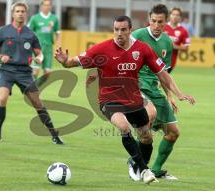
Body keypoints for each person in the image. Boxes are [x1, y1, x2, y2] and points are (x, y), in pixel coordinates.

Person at [54, 16, 195, 184]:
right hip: (109, 99)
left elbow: (162, 74)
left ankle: (137, 165)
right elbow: (72, 62)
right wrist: (65, 62)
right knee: (124, 127)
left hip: (133, 99)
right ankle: (145, 171)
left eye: (123, 30)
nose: (119, 33)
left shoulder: (142, 49)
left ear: (130, 30)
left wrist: (178, 94)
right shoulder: (102, 49)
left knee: (146, 138)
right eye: (116, 30)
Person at [0, 1, 63, 144]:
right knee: (2, 98)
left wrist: (39, 59)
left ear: (26, 14)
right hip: (7, 70)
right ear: (12, 13)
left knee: (37, 103)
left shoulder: (31, 34)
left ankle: (54, 135)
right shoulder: (3, 31)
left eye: (23, 11)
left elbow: (39, 53)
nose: (20, 14)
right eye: (17, 11)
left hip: (24, 72)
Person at [129, 4, 182, 180]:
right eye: (153, 21)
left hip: (155, 89)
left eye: (160, 22)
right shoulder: (137, 36)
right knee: (149, 117)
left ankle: (156, 169)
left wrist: (170, 95)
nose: (156, 25)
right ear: (148, 20)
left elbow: (163, 74)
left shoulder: (167, 41)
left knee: (173, 132)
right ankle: (136, 164)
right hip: (137, 87)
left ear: (166, 22)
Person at [28, 0, 61, 80]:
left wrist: (58, 45)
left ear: (51, 6)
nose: (47, 7)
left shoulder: (54, 18)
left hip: (48, 48)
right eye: (45, 5)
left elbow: (58, 33)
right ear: (41, 6)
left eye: (49, 5)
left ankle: (39, 87)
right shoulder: (35, 18)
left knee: (47, 73)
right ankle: (32, 88)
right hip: (37, 48)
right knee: (35, 71)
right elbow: (28, 31)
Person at [164, 7, 190, 73]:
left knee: (161, 81)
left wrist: (173, 46)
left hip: (170, 61)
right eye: (173, 14)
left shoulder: (184, 31)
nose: (175, 17)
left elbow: (186, 48)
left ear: (180, 17)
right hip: (157, 58)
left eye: (177, 15)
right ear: (169, 15)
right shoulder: (162, 26)